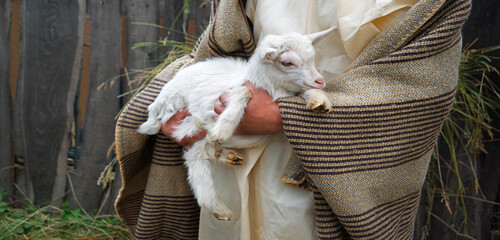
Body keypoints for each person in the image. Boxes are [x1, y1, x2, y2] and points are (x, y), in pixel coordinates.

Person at [114, 0, 471, 239]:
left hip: (330, 174)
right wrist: (181, 103)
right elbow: (219, 49)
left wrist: (288, 116)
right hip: (231, 159)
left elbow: (421, 90)